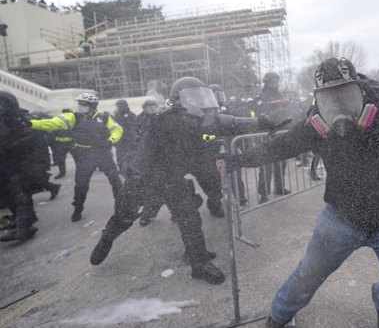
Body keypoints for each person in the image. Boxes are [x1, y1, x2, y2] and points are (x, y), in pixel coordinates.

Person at [225, 57, 379, 328]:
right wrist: (235, 160)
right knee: (306, 276)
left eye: (345, 94)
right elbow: (279, 147)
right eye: (330, 99)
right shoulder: (315, 124)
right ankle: (278, 316)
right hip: (341, 218)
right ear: (319, 100)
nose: (339, 107)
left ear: (361, 89)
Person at [90, 77, 275, 285]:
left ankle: (198, 262)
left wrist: (259, 123)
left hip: (172, 177)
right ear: (179, 100)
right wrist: (131, 170)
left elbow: (226, 123)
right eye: (193, 98)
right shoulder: (165, 121)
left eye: (201, 97)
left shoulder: (197, 120)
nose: (198, 102)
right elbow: (146, 155)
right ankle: (107, 239)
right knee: (124, 216)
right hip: (145, 178)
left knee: (189, 217)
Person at [29, 93, 123, 222]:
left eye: (83, 104)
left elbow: (117, 129)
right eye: (80, 104)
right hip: (84, 155)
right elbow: (52, 123)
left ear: (92, 106)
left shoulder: (104, 117)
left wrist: (111, 140)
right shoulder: (74, 117)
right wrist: (30, 124)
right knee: (81, 185)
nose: (80, 106)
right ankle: (78, 208)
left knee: (115, 181)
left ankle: (122, 207)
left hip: (103, 154)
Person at [0, 91, 42, 242]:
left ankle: (24, 227)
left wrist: (7, 146)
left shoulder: (20, 118)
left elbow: (30, 139)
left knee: (20, 194)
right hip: (7, 164)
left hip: (21, 162)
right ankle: (22, 220)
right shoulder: (4, 119)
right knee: (10, 194)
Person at [253, 72, 291, 203]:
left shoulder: (278, 94)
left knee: (281, 161)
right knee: (266, 164)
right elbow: (261, 114)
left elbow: (283, 111)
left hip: (280, 131)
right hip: (267, 133)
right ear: (268, 82)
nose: (277, 83)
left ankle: (279, 188)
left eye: (277, 81)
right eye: (275, 81)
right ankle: (264, 194)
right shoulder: (262, 96)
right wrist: (280, 109)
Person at [113, 99, 138, 171]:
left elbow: (134, 127)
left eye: (118, 106)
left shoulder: (131, 115)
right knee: (120, 156)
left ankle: (130, 169)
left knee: (130, 156)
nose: (117, 108)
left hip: (130, 140)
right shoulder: (116, 116)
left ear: (122, 107)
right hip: (120, 140)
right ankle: (121, 169)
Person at [50, 108, 74, 179]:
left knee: (60, 159)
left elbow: (53, 130)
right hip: (71, 142)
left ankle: (62, 172)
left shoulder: (57, 118)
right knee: (77, 158)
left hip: (60, 143)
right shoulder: (73, 119)